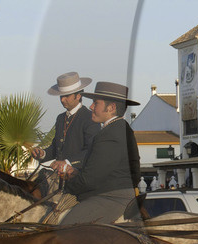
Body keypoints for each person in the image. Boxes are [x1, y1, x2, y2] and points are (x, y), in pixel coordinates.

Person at [61, 82, 143, 224]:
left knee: (65, 227)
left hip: (111, 198)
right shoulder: (119, 129)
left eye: (96, 103)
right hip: (114, 195)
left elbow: (90, 180)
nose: (91, 107)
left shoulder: (111, 134)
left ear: (111, 107)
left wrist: (64, 186)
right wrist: (75, 173)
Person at [31, 72, 99, 179]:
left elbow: (92, 150)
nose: (62, 99)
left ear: (78, 96)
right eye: (61, 96)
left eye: (66, 96)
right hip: (60, 177)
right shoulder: (60, 118)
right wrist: (42, 153)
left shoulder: (90, 118)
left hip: (80, 177)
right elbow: (56, 147)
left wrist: (67, 162)